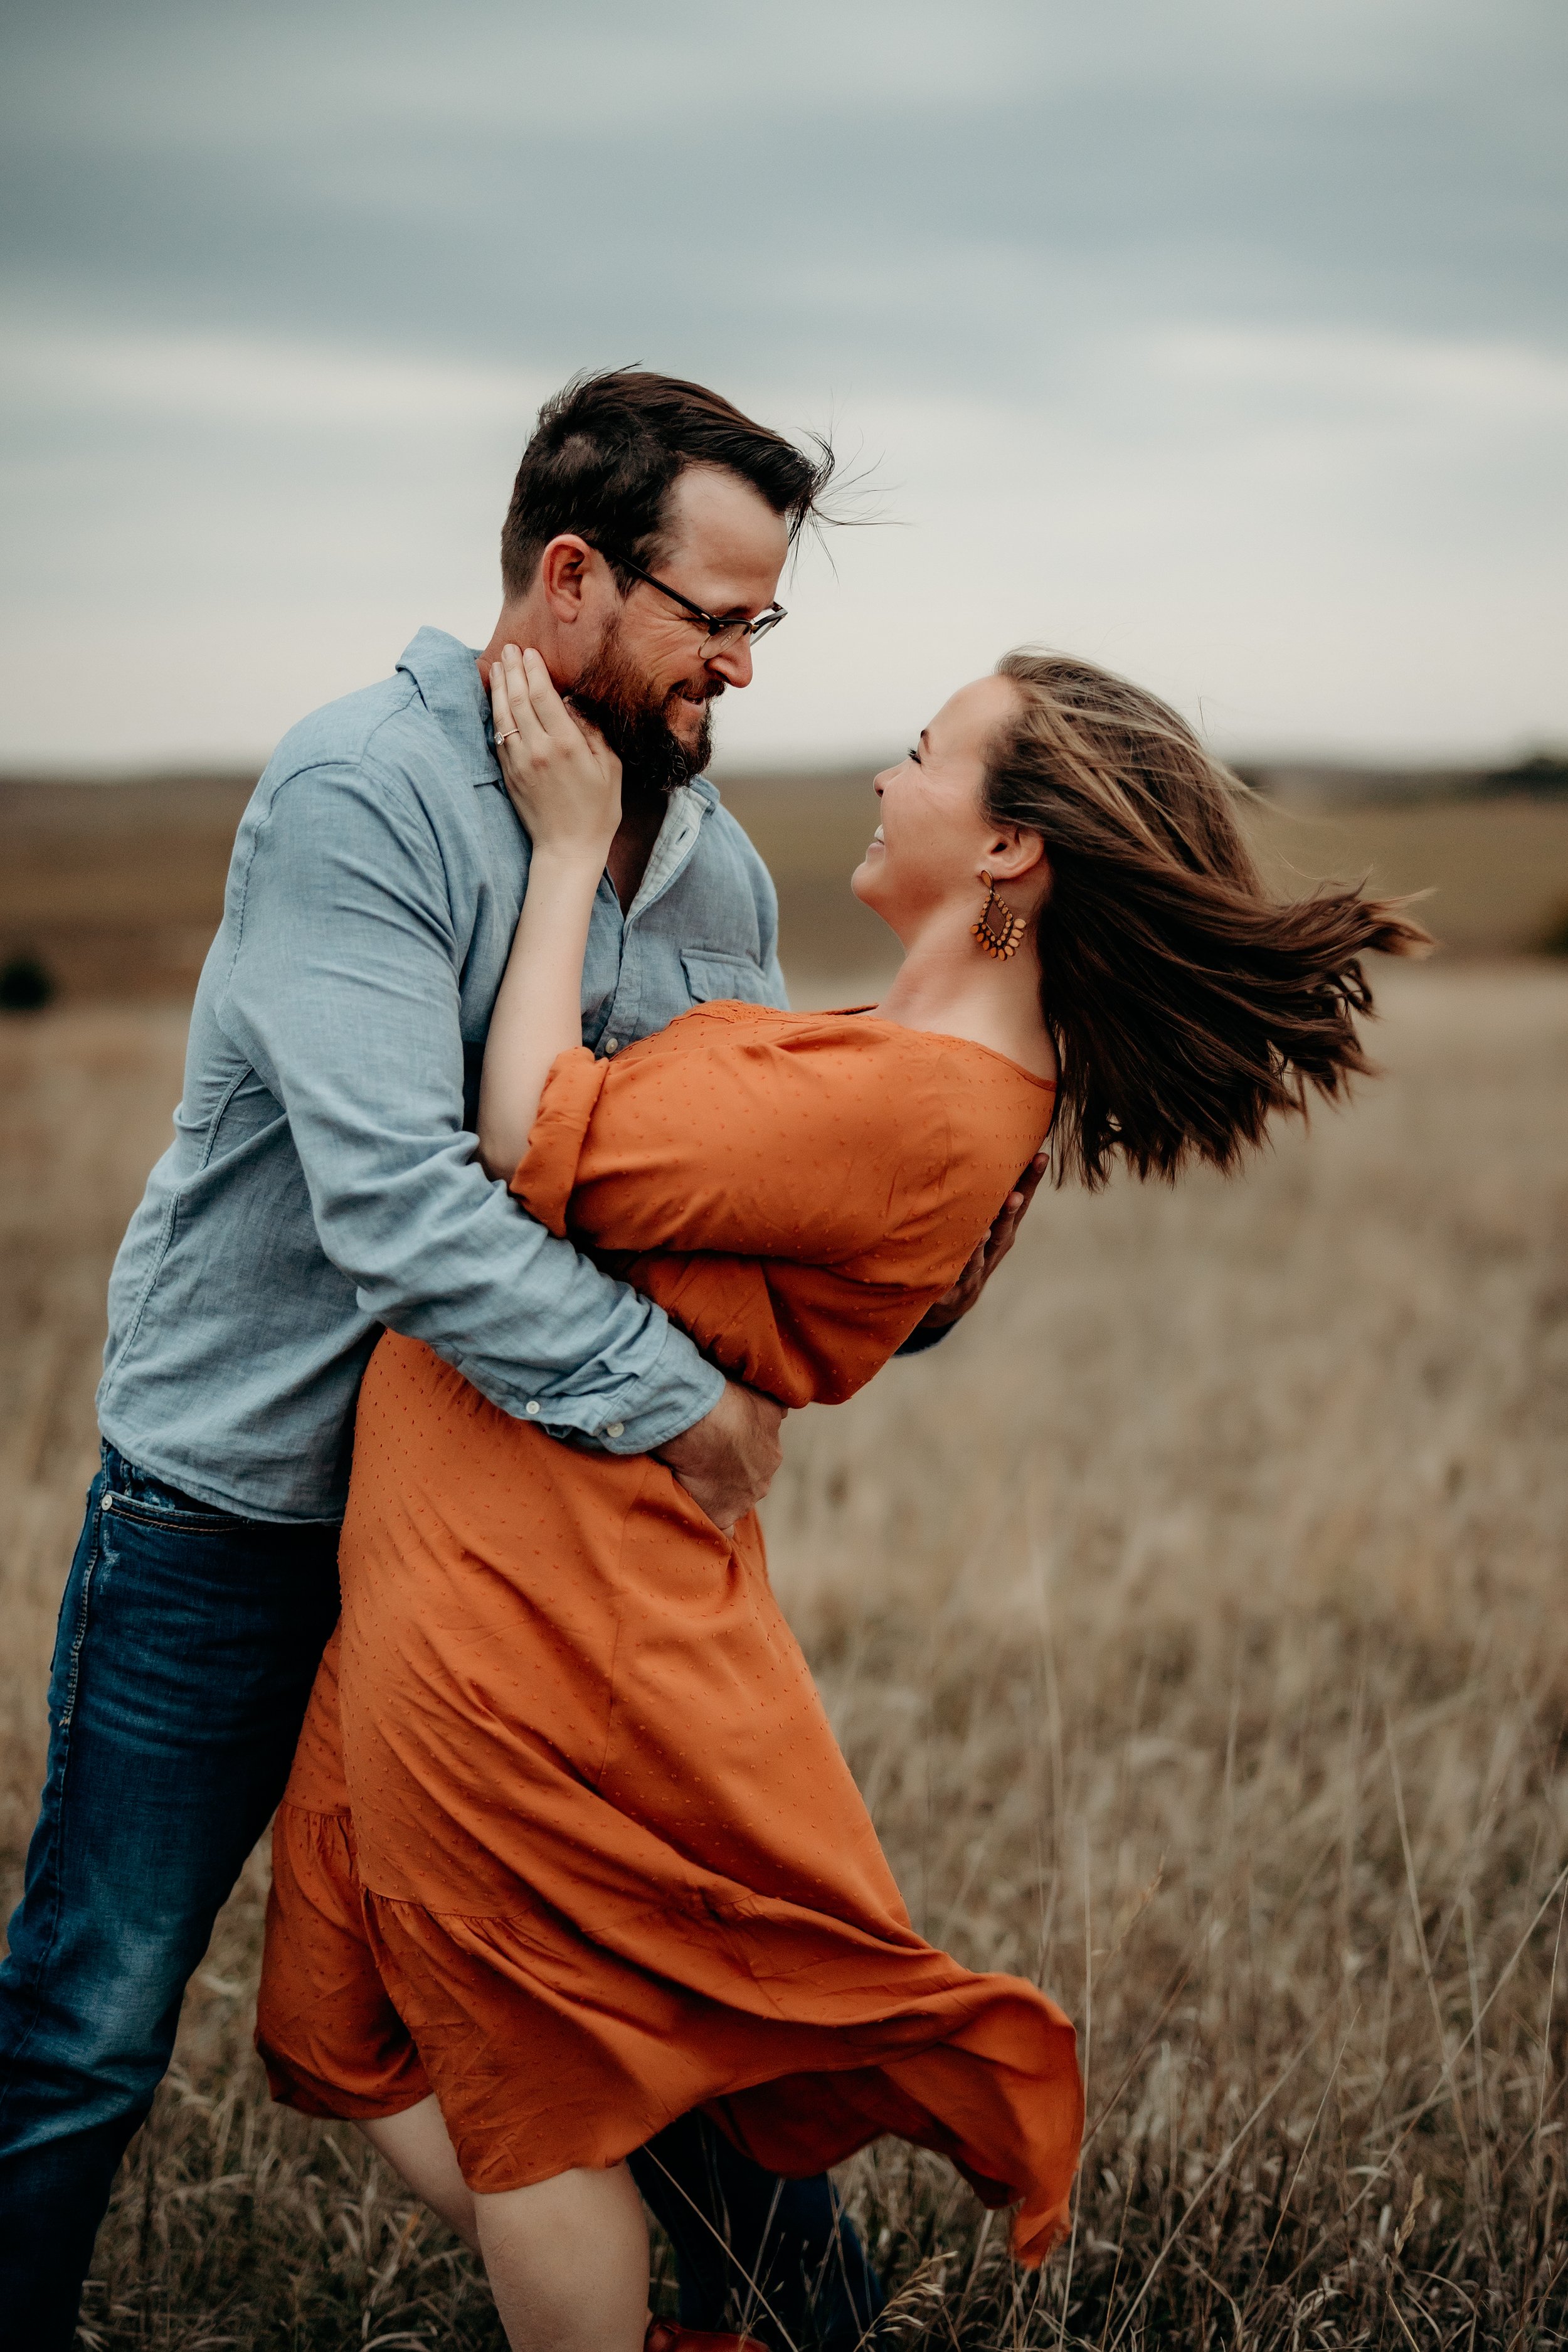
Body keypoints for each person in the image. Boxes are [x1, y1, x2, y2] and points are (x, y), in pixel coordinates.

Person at [0, 371, 1037, 2351]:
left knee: (667, 1993)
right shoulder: (357, 793)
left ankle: (790, 2334)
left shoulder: (714, 871)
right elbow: (400, 1204)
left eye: (762, 625)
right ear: (569, 581)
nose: (738, 663)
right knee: (95, 2011)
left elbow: (697, 1194)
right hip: (240, 1508)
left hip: (520, 1551)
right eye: (708, 616)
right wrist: (687, 1410)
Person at [255, 642, 1431, 2352]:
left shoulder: (923, 1106)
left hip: (530, 1603)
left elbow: (526, 1129)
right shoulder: (902, 1062)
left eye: (920, 752)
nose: (884, 778)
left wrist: (572, 848)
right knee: (337, 2013)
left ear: (1010, 849)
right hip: (488, 1567)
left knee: (525, 2091)